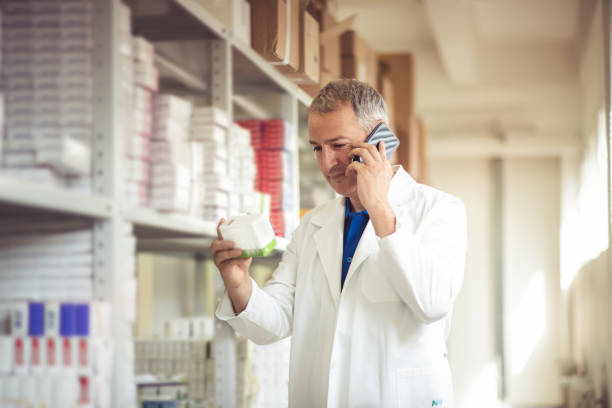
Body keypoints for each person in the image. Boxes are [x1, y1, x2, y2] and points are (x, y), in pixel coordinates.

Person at [211, 79, 467, 407]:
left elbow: (432, 303)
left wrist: (379, 208)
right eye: (317, 147)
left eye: (339, 145)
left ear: (380, 141)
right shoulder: (313, 225)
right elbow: (273, 323)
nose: (326, 163)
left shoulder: (438, 210)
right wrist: (237, 282)